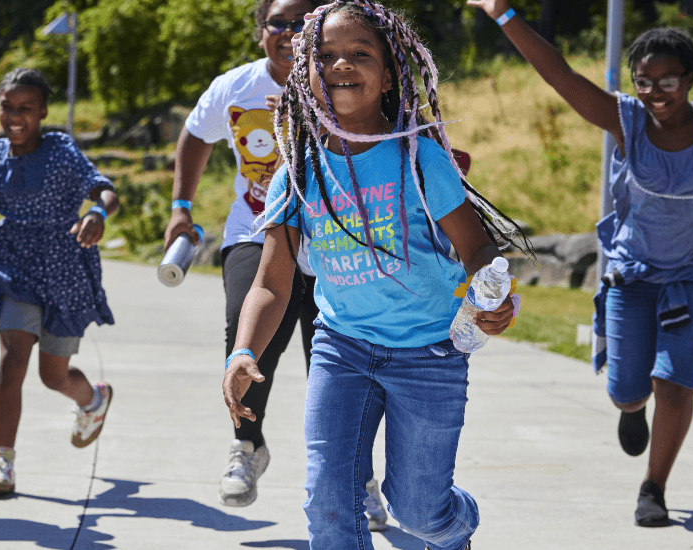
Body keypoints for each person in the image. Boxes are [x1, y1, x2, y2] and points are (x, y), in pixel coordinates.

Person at [469, 0, 693, 527]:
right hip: (633, 275)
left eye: (668, 81)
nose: (656, 92)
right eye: (644, 81)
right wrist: (503, 14)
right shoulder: (626, 120)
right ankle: (631, 411)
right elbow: (561, 74)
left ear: (691, 79)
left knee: (675, 382)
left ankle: (653, 487)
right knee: (627, 390)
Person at [222, 2, 526, 548]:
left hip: (429, 354)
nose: (341, 64)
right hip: (342, 349)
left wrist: (492, 294)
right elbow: (271, 283)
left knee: (419, 512)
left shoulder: (420, 158)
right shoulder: (298, 172)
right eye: (325, 55)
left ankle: (456, 528)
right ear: (304, 75)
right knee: (328, 505)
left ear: (388, 76)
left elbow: (476, 247)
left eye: (360, 53)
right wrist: (243, 351)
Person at [167, 0, 384, 524]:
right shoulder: (235, 87)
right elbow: (195, 135)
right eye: (278, 23)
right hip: (257, 228)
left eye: (301, 23)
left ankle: (360, 476)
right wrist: (181, 207)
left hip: (335, 237)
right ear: (261, 29)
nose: (289, 33)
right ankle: (246, 446)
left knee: (338, 363)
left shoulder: (341, 81)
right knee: (246, 331)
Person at [0, 68, 117, 497]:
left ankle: (93, 400)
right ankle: (2, 461)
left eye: (25, 108)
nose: (15, 116)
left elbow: (103, 190)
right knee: (12, 362)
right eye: (7, 107)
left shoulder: (60, 149)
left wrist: (97, 213)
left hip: (65, 267)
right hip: (15, 264)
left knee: (52, 376)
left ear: (43, 111)